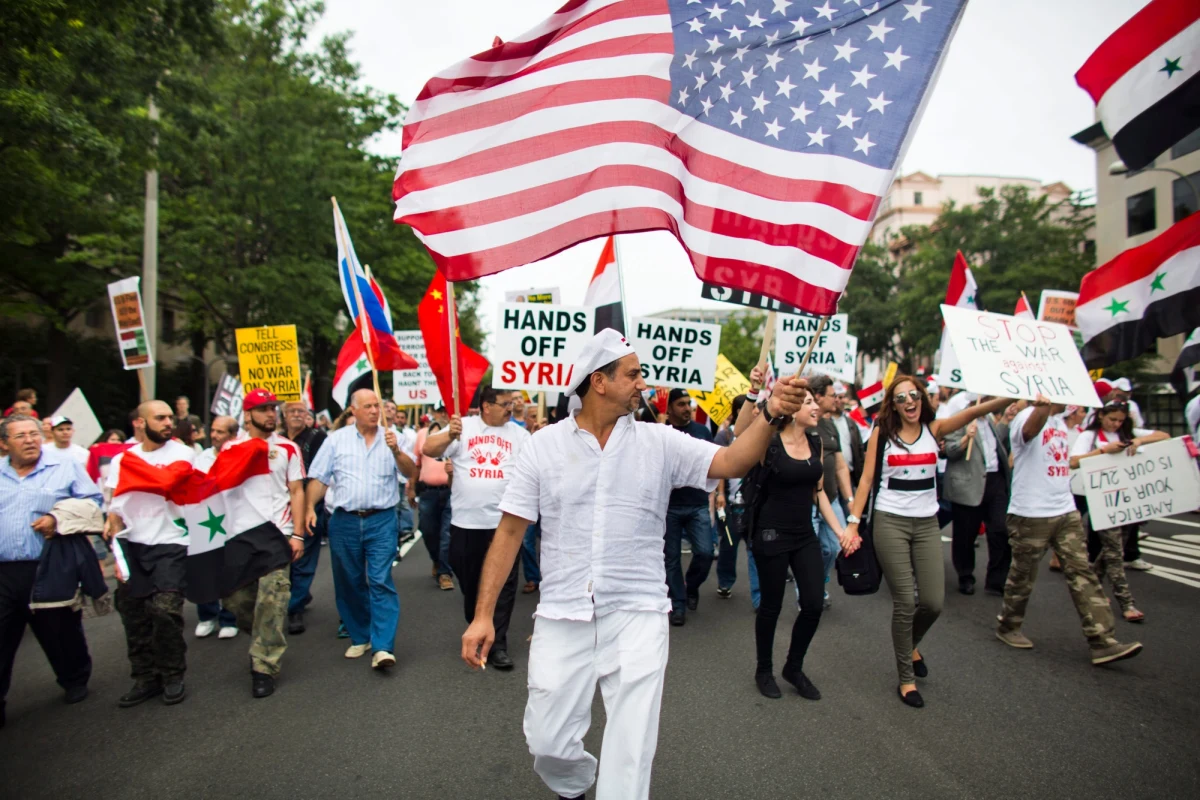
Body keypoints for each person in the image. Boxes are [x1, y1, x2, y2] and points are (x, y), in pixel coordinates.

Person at [459, 329, 805, 800]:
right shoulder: (542, 446)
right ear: (598, 382)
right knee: (547, 741)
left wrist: (771, 411)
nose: (643, 383)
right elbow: (510, 532)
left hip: (639, 611)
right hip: (563, 613)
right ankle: (575, 781)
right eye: (633, 374)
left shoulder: (659, 441)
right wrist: (483, 616)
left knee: (631, 747)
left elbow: (732, 460)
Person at [845, 377, 1015, 708]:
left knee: (934, 603)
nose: (909, 401)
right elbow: (866, 480)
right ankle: (906, 679)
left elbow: (979, 409)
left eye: (914, 395)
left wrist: (1012, 396)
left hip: (926, 524)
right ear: (893, 405)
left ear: (922, 398)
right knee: (905, 602)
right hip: (890, 521)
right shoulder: (883, 434)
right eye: (901, 398)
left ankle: (910, 643)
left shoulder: (935, 428)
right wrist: (853, 523)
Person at [995, 396, 1143, 667]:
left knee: (1082, 573)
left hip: (1065, 511)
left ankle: (1103, 641)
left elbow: (1067, 463)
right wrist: (1041, 406)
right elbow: (1028, 433)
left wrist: (1108, 453)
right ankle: (1008, 625)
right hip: (1031, 514)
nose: (1074, 401)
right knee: (1022, 577)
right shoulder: (1025, 417)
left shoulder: (1059, 424)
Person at [747, 386, 857, 700]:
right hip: (771, 533)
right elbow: (743, 434)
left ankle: (793, 667)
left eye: (813, 401)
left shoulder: (816, 442)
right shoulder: (769, 442)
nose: (815, 407)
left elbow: (818, 492)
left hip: (803, 533)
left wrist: (840, 530)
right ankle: (764, 670)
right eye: (808, 402)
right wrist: (759, 396)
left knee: (812, 603)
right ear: (792, 409)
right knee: (771, 605)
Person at [0, 415, 104, 728]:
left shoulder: (64, 466)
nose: (30, 440)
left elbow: (93, 502)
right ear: (5, 444)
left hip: (49, 564)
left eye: (33, 434)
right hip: (4, 571)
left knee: (58, 629)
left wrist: (57, 519)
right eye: (20, 436)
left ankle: (74, 678)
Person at [305, 389, 414, 670]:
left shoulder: (394, 437)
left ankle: (383, 646)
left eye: (377, 405)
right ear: (353, 410)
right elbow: (319, 478)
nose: (375, 411)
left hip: (381, 519)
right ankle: (360, 635)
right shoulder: (335, 441)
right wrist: (307, 508)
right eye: (368, 406)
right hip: (345, 521)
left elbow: (410, 471)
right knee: (349, 581)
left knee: (379, 579)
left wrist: (396, 451)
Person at [423, 388, 531, 670]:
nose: (510, 408)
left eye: (512, 403)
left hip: (503, 526)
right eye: (504, 404)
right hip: (466, 524)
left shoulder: (519, 435)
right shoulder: (463, 427)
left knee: (505, 585)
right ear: (485, 406)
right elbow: (428, 449)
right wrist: (449, 434)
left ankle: (498, 645)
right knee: (471, 582)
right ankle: (477, 619)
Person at [104, 400, 197, 707]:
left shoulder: (183, 454)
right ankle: (146, 678)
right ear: (140, 423)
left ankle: (173, 674)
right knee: (133, 613)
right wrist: (117, 555)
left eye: (170, 416)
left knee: (165, 610)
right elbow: (114, 510)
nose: (168, 422)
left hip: (171, 542)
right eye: (160, 418)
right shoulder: (122, 461)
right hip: (134, 544)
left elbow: (173, 483)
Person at [220, 390, 305, 698]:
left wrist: (297, 534)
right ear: (247, 415)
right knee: (237, 602)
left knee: (272, 600)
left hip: (276, 535)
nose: (271, 414)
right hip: (240, 536)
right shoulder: (230, 448)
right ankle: (262, 637)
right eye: (263, 409)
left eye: (273, 409)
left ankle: (263, 666)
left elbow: (296, 491)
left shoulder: (288, 448)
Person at [1069, 402, 1167, 623]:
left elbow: (1164, 435)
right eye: (1112, 419)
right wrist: (1103, 451)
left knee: (1113, 549)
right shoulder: (1089, 436)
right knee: (1114, 553)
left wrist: (1139, 440)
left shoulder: (1128, 433)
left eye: (1120, 420)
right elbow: (1074, 462)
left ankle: (1091, 589)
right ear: (1101, 416)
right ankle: (1126, 603)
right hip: (1102, 501)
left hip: (1129, 502)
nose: (1116, 424)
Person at [943, 398, 1012, 596]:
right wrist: (965, 439)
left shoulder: (988, 419)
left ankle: (996, 580)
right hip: (969, 484)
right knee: (965, 535)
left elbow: (993, 446)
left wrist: (1006, 421)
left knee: (1000, 530)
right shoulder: (960, 420)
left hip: (994, 481)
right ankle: (965, 576)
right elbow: (949, 450)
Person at [662, 387, 715, 626]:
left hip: (697, 505)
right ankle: (678, 603)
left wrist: (717, 494)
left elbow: (716, 462)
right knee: (671, 558)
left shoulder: (702, 432)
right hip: (669, 507)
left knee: (705, 553)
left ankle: (691, 586)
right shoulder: (660, 433)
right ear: (670, 407)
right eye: (681, 404)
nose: (687, 409)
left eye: (688, 404)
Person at [806, 375, 854, 610]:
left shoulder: (830, 425)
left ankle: (818, 583)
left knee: (834, 547)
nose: (836, 398)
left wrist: (850, 499)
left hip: (830, 497)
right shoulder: (804, 423)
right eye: (832, 394)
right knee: (811, 551)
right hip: (808, 501)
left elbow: (841, 465)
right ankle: (806, 596)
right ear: (818, 396)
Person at [279, 401, 328, 634]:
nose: (297, 415)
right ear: (284, 416)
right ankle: (299, 594)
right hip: (280, 505)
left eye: (301, 411)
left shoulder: (318, 437)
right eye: (292, 411)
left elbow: (320, 475)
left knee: (303, 555)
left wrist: (310, 505)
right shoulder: (276, 439)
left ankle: (294, 608)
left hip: (309, 502)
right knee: (283, 556)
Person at [192, 415, 241, 640]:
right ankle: (207, 615)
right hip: (206, 522)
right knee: (205, 572)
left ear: (232, 435)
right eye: (213, 430)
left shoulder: (240, 456)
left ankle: (229, 618)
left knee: (229, 571)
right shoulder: (201, 458)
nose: (214, 435)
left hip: (233, 522)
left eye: (220, 432)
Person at [714, 394, 760, 609]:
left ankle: (758, 595)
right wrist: (720, 494)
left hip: (753, 504)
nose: (754, 412)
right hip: (732, 502)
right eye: (748, 410)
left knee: (754, 548)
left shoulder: (761, 434)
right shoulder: (725, 436)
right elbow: (719, 467)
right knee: (729, 544)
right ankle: (725, 582)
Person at [413, 418, 454, 591]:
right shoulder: (422, 434)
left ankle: (445, 572)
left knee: (447, 533)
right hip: (428, 493)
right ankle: (437, 560)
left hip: (451, 491)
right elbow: (417, 464)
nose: (441, 415)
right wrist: (410, 488)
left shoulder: (455, 433)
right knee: (428, 530)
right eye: (439, 411)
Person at [831, 381, 865, 490]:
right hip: (831, 478)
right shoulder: (823, 423)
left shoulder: (851, 423)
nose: (841, 401)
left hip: (850, 476)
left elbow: (859, 449)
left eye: (843, 397)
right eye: (837, 397)